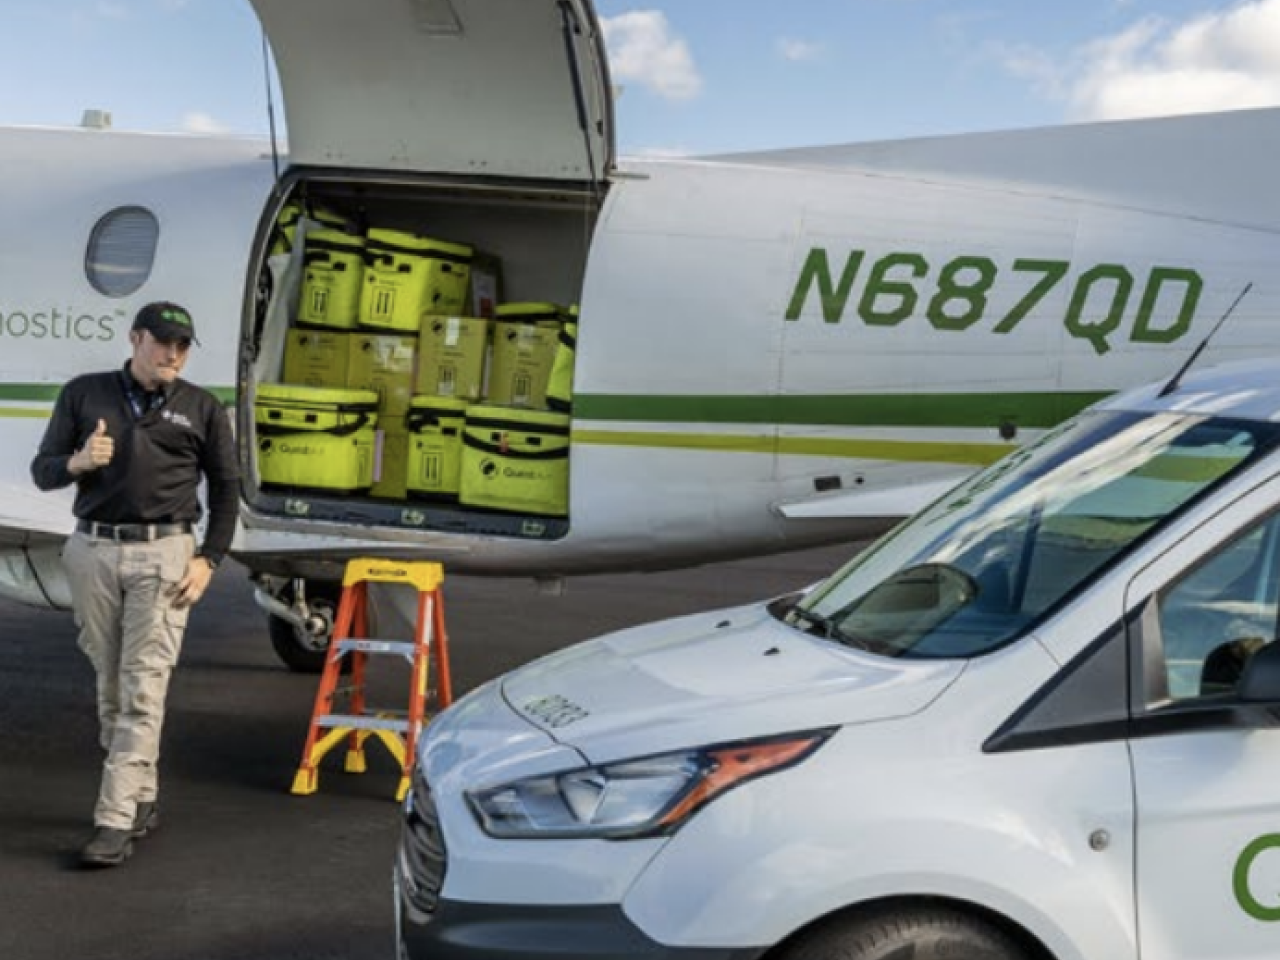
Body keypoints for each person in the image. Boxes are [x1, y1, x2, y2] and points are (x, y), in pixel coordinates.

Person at [30, 301, 238, 868]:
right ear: (136, 338)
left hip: (166, 557)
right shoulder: (83, 393)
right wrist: (77, 461)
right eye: (165, 341)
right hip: (92, 551)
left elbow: (227, 489)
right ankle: (142, 796)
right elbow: (42, 470)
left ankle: (113, 819)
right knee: (112, 685)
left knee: (144, 688)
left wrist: (209, 560)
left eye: (184, 345)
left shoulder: (203, 407)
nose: (174, 353)